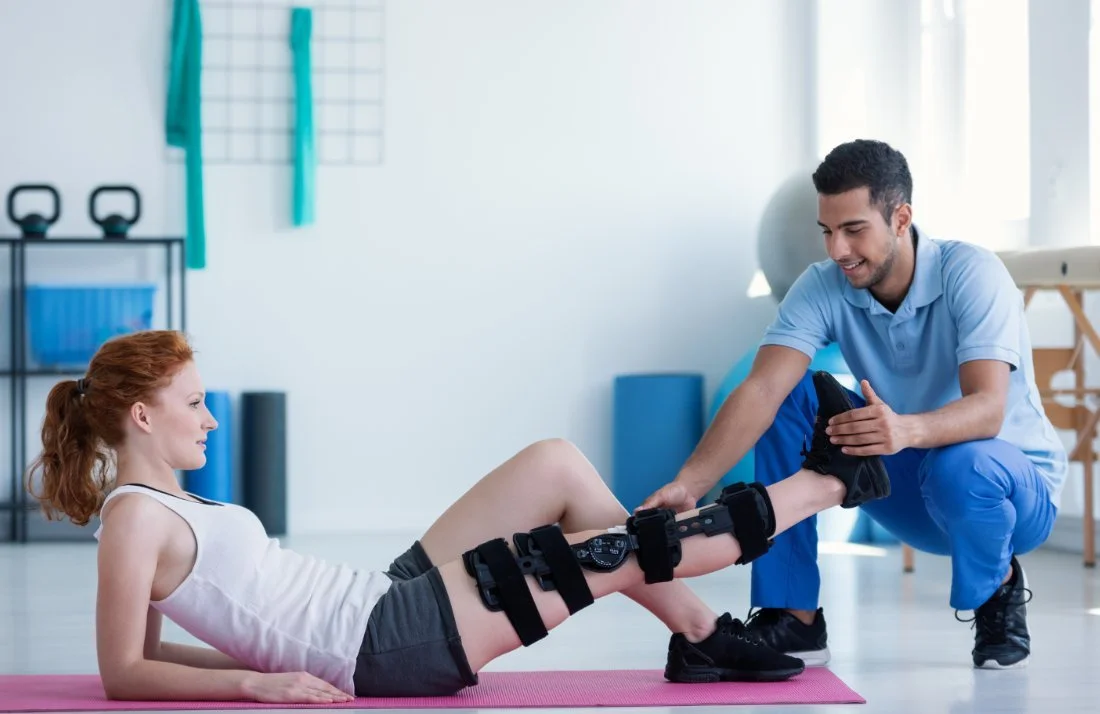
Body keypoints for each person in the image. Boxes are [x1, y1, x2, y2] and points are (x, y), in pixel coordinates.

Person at [26, 329, 888, 703]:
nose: (210, 419)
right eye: (194, 403)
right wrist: (256, 679)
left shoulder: (164, 504)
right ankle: (831, 480)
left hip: (378, 600)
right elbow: (124, 673)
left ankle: (700, 638)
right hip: (385, 648)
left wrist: (242, 652)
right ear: (143, 416)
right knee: (624, 549)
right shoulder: (134, 520)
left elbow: (156, 648)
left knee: (554, 462)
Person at [640, 138, 1066, 671]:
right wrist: (691, 483)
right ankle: (794, 616)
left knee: (966, 460)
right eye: (827, 231)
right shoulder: (822, 286)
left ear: (901, 217)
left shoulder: (971, 273)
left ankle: (998, 588)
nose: (836, 250)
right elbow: (761, 391)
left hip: (1009, 491)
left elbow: (987, 410)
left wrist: (903, 430)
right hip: (909, 483)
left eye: (854, 229)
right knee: (792, 395)